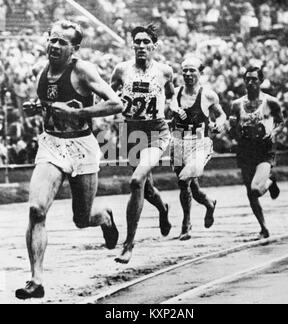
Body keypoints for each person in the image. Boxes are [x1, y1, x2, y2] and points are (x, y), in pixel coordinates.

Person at [16, 20, 124, 300]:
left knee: (82, 218)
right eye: (52, 40)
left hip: (80, 147)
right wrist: (36, 106)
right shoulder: (43, 71)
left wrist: (80, 114)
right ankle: (36, 279)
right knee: (36, 210)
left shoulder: (82, 70)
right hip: (51, 145)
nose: (54, 45)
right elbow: (51, 103)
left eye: (62, 42)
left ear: (74, 49)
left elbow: (116, 103)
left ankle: (105, 218)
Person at [111, 24, 173, 264]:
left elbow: (171, 93)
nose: (141, 46)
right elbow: (107, 92)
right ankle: (163, 208)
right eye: (137, 41)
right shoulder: (121, 69)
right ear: (132, 44)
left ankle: (128, 244)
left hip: (157, 130)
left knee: (136, 181)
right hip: (131, 132)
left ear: (154, 46)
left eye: (146, 42)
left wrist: (175, 108)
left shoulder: (165, 70)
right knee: (145, 188)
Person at [169, 56, 226, 240]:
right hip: (178, 141)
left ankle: (186, 223)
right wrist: (174, 111)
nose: (187, 74)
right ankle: (209, 203)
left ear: (199, 73)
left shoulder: (208, 95)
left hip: (199, 142)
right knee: (191, 187)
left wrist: (219, 124)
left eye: (192, 70)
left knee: (184, 180)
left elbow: (221, 114)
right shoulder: (176, 93)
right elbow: (170, 106)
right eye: (184, 70)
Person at [229, 66, 284, 240]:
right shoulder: (237, 104)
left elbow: (281, 122)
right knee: (250, 192)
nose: (251, 82)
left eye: (254, 79)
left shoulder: (271, 102)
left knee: (256, 189)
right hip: (246, 150)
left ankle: (270, 181)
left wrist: (273, 132)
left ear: (260, 81)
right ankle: (263, 227)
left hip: (264, 149)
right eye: (248, 79)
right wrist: (234, 132)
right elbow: (233, 127)